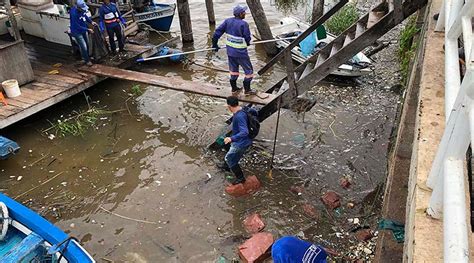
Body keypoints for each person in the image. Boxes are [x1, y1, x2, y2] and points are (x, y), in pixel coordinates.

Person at [212, 5, 257, 95]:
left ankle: (234, 89)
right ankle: (247, 90)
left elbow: (217, 33)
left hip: (230, 52)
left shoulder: (227, 21)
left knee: (233, 71)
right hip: (241, 53)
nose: (245, 13)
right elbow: (247, 37)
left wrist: (215, 45)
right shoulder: (244, 24)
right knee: (249, 71)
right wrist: (247, 43)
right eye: (244, 12)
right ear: (240, 14)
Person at [223, 96, 256, 184]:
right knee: (232, 154)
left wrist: (231, 138)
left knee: (230, 158)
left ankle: (240, 178)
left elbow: (244, 132)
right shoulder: (243, 109)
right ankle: (226, 166)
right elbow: (255, 112)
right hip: (245, 141)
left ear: (229, 106)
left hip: (241, 143)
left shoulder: (239, 116)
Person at [69, 0, 96, 66]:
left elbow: (85, 16)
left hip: (83, 30)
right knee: (83, 46)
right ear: (78, 7)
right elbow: (77, 26)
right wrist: (87, 29)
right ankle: (87, 60)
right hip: (77, 31)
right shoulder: (74, 13)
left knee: (86, 44)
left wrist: (91, 22)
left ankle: (86, 56)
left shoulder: (82, 10)